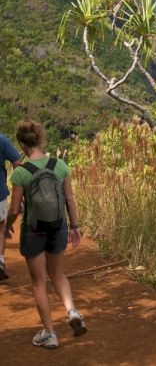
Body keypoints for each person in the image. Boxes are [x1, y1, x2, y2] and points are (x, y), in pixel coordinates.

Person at [6, 120, 87, 349]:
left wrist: (7, 227)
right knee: (58, 274)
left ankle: (50, 334)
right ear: (40, 139)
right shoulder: (59, 165)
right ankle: (71, 310)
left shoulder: (21, 172)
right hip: (58, 226)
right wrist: (74, 226)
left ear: (21, 143)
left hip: (33, 230)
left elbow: (14, 209)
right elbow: (70, 199)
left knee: (39, 282)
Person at [0, 132, 21, 280]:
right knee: (0, 228)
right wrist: (19, 188)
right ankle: (0, 261)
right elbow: (17, 163)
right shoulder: (2, 139)